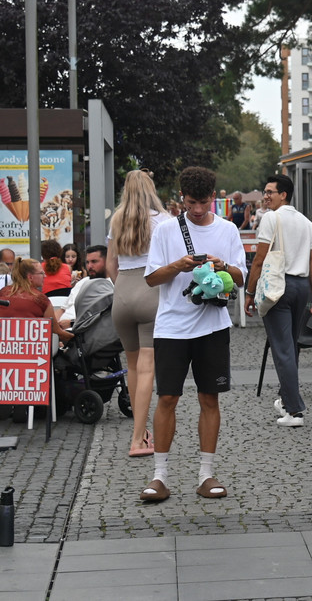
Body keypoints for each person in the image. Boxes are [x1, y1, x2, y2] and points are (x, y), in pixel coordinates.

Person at [138, 167, 246, 503]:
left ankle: (206, 474)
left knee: (209, 399)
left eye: (202, 202)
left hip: (212, 326)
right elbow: (151, 278)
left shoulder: (227, 230)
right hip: (171, 327)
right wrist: (178, 266)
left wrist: (222, 265)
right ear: (180, 199)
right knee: (167, 398)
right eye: (190, 203)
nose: (197, 209)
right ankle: (159, 477)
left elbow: (241, 278)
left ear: (213, 197)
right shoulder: (166, 231)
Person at [244, 174, 312, 427]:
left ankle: (294, 410)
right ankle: (286, 398)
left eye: (270, 192)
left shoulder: (270, 218)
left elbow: (259, 259)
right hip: (301, 287)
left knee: (282, 348)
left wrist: (249, 291)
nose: (266, 196)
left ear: (284, 195)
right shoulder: (307, 223)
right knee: (291, 346)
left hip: (278, 286)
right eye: (265, 192)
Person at [108, 170, 174, 458]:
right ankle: (138, 439)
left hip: (122, 292)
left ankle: (140, 431)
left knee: (132, 366)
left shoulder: (117, 219)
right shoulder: (163, 220)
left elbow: (110, 265)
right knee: (148, 368)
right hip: (151, 289)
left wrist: (122, 289)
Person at [0, 259, 74, 345]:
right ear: (30, 277)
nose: (45, 276)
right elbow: (56, 330)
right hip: (30, 349)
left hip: (5, 347)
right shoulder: (40, 298)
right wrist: (73, 336)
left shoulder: (3, 292)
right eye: (41, 273)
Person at [60, 245, 109, 328]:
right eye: (87, 262)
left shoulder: (111, 284)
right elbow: (63, 309)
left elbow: (100, 317)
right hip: (62, 329)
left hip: (82, 331)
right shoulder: (82, 282)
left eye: (94, 261)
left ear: (107, 261)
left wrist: (72, 323)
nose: (89, 266)